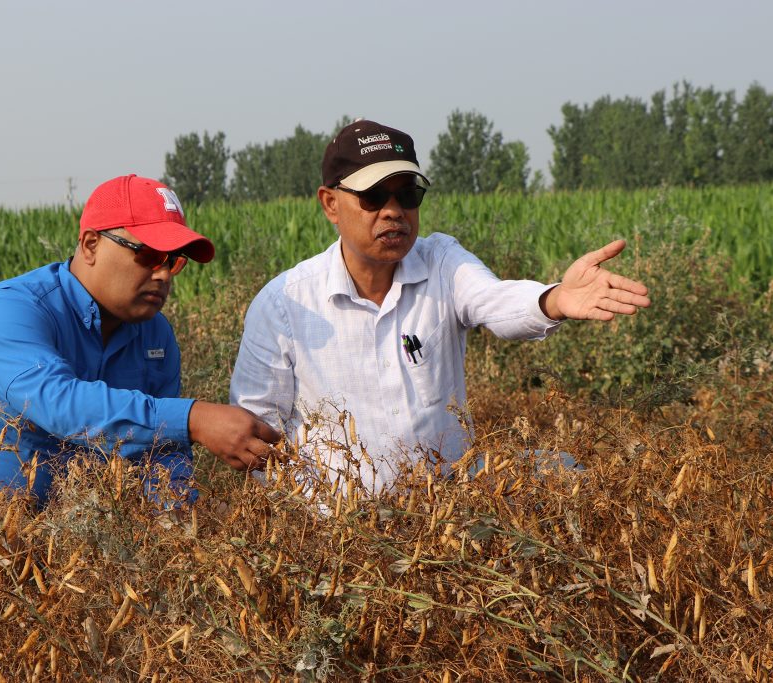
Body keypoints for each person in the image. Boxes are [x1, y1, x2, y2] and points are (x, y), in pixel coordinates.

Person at [229, 120, 650, 493]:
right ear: (330, 203)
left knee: (566, 471)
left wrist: (553, 299)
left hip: (447, 512)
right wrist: (321, 522)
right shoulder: (285, 304)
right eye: (373, 196)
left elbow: (494, 299)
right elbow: (255, 432)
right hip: (338, 531)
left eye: (407, 194)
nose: (394, 212)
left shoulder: (442, 263)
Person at [0, 174, 280, 525]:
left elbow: (162, 452)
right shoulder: (9, 311)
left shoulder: (154, 334)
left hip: (62, 526)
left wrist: (174, 520)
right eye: (148, 255)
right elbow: (61, 404)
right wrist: (194, 418)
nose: (162, 274)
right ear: (91, 245)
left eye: (173, 262)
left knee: (229, 527)